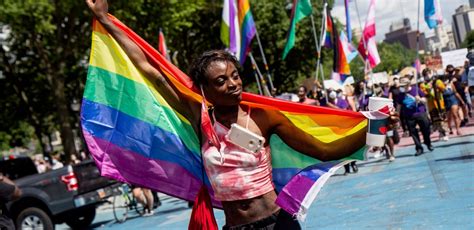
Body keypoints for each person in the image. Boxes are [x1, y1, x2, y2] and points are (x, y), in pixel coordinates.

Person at [86, 1, 397, 228]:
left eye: (234, 75)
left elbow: (324, 150)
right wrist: (106, 19)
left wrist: (373, 128)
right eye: (221, 80)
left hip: (276, 224)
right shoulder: (200, 117)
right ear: (204, 89)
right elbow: (150, 70)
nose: (232, 83)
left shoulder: (264, 116)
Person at [396, 75, 434, 156]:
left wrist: (419, 99)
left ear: (408, 84)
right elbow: (398, 106)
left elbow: (425, 100)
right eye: (401, 85)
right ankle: (419, 148)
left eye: (403, 85)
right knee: (413, 133)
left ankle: (428, 142)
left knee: (426, 129)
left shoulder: (416, 90)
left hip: (420, 113)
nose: (402, 87)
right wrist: (397, 117)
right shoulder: (400, 95)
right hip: (409, 116)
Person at [420, 69, 449, 142]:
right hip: (431, 105)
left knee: (442, 119)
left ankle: (445, 133)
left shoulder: (437, 81)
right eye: (425, 75)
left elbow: (443, 89)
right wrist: (428, 87)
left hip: (439, 104)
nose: (427, 76)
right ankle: (440, 133)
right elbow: (424, 93)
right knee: (436, 120)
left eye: (428, 74)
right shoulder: (423, 84)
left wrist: (438, 85)